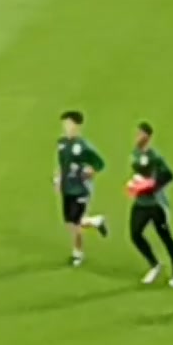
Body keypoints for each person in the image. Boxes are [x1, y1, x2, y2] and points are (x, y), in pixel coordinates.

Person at [127, 122, 173, 286]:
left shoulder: (155, 157)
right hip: (140, 203)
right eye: (137, 133)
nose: (137, 137)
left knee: (165, 237)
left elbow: (169, 175)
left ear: (148, 137)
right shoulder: (135, 154)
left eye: (141, 134)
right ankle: (154, 264)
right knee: (135, 234)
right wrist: (134, 184)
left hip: (155, 204)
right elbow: (138, 174)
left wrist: (152, 186)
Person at [54, 110, 108, 266]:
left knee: (77, 223)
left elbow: (100, 163)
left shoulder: (83, 146)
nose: (66, 127)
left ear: (77, 126)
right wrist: (58, 179)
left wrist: (91, 171)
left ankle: (78, 254)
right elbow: (62, 164)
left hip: (81, 189)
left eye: (69, 124)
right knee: (70, 223)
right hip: (67, 188)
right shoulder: (61, 143)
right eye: (65, 124)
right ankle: (96, 221)